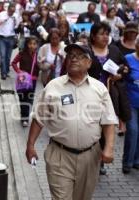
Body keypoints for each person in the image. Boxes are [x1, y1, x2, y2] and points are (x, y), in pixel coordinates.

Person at [26, 43, 117, 200]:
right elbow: (38, 118)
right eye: (70, 55)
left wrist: (108, 148)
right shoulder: (53, 86)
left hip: (90, 156)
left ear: (89, 63)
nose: (73, 59)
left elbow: (108, 122)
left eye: (79, 56)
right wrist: (30, 146)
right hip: (59, 155)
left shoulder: (100, 89)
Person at [88, 22, 131, 174]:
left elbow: (126, 68)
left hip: (109, 97)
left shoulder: (113, 50)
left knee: (106, 128)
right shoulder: (87, 51)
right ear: (93, 36)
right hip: (89, 97)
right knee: (91, 129)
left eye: (107, 33)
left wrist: (120, 74)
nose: (105, 37)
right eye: (101, 34)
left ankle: (100, 161)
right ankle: (89, 159)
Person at [11, 36, 40, 127]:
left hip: (33, 80)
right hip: (22, 80)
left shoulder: (38, 55)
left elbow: (41, 66)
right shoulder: (22, 53)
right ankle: (24, 115)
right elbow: (13, 63)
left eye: (34, 44)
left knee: (29, 99)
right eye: (30, 43)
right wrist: (19, 71)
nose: (32, 46)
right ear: (27, 44)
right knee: (22, 98)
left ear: (37, 45)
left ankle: (25, 119)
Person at [122, 35, 139, 174]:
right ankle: (127, 162)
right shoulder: (128, 59)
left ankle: (136, 160)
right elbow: (121, 76)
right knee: (133, 131)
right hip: (131, 101)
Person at [0, 3, 20, 80]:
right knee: (2, 56)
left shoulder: (15, 16)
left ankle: (6, 70)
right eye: (10, 11)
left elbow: (16, 28)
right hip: (1, 38)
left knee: (8, 57)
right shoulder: (1, 14)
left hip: (11, 38)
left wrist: (15, 21)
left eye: (13, 11)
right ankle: (3, 73)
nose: (11, 13)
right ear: (8, 9)